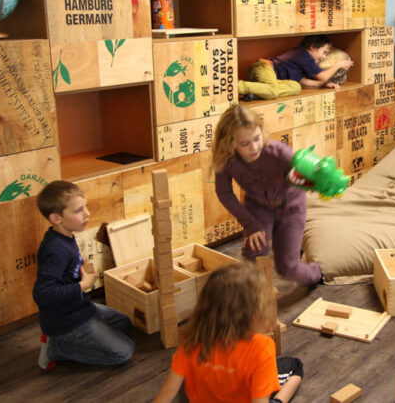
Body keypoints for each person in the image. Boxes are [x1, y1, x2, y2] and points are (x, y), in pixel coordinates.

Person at [153, 263, 304, 403]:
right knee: (295, 365)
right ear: (252, 313)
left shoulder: (191, 338)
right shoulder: (262, 348)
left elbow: (165, 395)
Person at [211, 105, 323, 285]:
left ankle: (318, 272)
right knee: (253, 257)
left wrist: (313, 180)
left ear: (261, 132)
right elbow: (223, 193)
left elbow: (304, 176)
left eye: (257, 138)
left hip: (291, 207)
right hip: (259, 207)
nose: (254, 147)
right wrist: (250, 224)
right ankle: (257, 298)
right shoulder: (226, 160)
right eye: (244, 143)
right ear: (230, 144)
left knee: (287, 267)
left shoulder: (279, 152)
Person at [32, 181, 134, 370]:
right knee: (124, 352)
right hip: (66, 321)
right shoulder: (56, 249)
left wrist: (80, 273)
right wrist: (82, 285)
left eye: (85, 207)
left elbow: (64, 275)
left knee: (124, 323)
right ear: (56, 218)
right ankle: (57, 347)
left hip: (80, 307)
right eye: (78, 211)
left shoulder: (66, 235)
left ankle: (73, 338)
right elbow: (42, 294)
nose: (87, 213)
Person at [239, 34, 353, 101]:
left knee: (296, 87)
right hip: (262, 68)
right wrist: (338, 65)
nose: (323, 57)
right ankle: (238, 86)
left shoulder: (302, 60)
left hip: (269, 80)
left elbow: (303, 82)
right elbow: (322, 76)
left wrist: (323, 85)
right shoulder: (304, 55)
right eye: (323, 52)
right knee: (273, 91)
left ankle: (255, 93)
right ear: (312, 47)